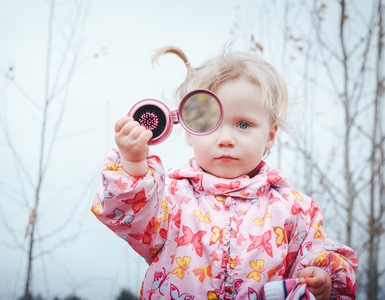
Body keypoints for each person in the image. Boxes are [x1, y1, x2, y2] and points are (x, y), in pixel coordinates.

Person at [91, 46, 357, 299]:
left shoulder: (295, 210)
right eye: (210, 123)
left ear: (270, 135)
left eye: (243, 124)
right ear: (188, 131)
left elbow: (318, 257)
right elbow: (132, 219)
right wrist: (134, 164)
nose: (227, 138)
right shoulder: (170, 198)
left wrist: (322, 281)